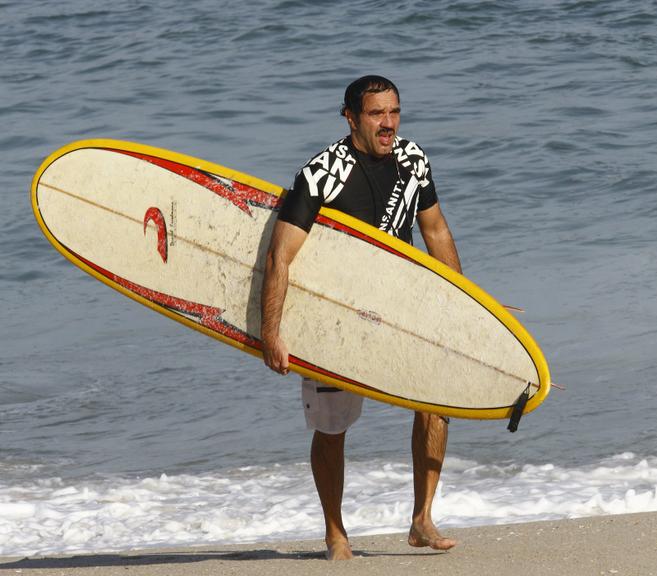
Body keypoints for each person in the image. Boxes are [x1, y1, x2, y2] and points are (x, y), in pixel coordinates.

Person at [260, 75, 462, 560]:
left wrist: (462, 310)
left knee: (435, 402)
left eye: (394, 112)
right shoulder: (321, 173)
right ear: (350, 117)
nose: (388, 123)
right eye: (376, 114)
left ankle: (422, 519)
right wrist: (272, 330)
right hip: (336, 317)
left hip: (400, 305)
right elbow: (281, 256)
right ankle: (336, 535)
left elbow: (435, 233)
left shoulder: (414, 161)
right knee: (332, 428)